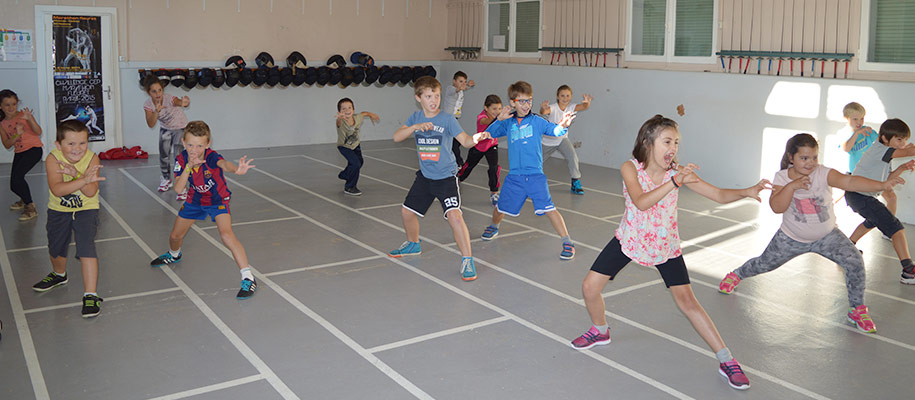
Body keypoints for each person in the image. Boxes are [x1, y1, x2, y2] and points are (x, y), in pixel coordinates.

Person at [572, 115, 770, 391]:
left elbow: (718, 195)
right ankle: (600, 330)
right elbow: (641, 202)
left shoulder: (677, 173)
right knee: (589, 287)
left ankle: (727, 360)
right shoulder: (630, 168)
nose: (673, 148)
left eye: (676, 142)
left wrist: (747, 191)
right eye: (667, 141)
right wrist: (675, 182)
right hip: (630, 238)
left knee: (688, 302)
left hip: (665, 245)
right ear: (647, 142)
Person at [389, 76, 490, 282]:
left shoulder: (447, 119)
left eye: (436, 95)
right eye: (428, 96)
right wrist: (415, 128)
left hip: (446, 178)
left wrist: (477, 137)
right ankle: (413, 244)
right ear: (419, 98)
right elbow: (397, 137)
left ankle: (467, 259)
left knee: (455, 216)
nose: (433, 100)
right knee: (407, 212)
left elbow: (465, 140)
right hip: (425, 177)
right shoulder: (416, 117)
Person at [149, 121, 259, 299]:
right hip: (195, 200)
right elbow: (178, 189)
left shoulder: (211, 157)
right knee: (175, 236)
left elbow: (224, 164)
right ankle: (174, 254)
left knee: (226, 235)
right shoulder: (181, 160)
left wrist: (236, 169)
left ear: (207, 144)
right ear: (183, 142)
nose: (194, 149)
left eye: (199, 146)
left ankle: (248, 277)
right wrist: (189, 168)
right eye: (190, 144)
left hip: (217, 200)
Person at [479, 81, 577, 260]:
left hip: (535, 176)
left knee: (550, 208)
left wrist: (563, 125)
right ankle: (494, 227)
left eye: (529, 101)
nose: (526, 105)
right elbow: (489, 133)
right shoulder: (508, 123)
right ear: (513, 102)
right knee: (500, 208)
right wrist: (499, 119)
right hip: (515, 177)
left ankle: (567, 241)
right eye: (522, 101)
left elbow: (554, 130)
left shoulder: (538, 121)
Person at [31, 120, 106, 317]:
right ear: (59, 144)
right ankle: (59, 274)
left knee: (86, 247)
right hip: (59, 210)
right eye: (71, 144)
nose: (77, 149)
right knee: (56, 248)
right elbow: (57, 189)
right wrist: (79, 179)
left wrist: (78, 177)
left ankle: (90, 294)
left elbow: (90, 192)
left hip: (86, 210)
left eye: (82, 143)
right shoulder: (53, 159)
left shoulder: (92, 159)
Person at [844, 119, 915, 284]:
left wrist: (902, 168)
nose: (903, 143)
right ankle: (908, 271)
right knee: (896, 228)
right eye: (899, 139)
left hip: (860, 196)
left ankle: (848, 247)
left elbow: (886, 180)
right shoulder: (880, 150)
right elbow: (908, 152)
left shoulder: (884, 155)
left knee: (872, 221)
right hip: (859, 195)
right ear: (884, 138)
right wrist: (910, 149)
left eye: (904, 139)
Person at [142, 74, 190, 199]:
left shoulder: (169, 99)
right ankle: (166, 179)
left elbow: (178, 102)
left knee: (178, 157)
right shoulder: (148, 105)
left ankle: (181, 185)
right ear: (149, 93)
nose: (158, 94)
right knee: (164, 155)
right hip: (166, 129)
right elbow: (151, 124)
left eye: (160, 90)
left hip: (180, 127)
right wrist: (156, 111)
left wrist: (183, 102)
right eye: (154, 91)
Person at [539, 85, 592, 194]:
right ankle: (528, 179)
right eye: (562, 95)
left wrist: (587, 102)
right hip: (548, 141)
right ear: (558, 97)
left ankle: (575, 182)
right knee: (537, 161)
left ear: (571, 97)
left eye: (567, 96)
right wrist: (543, 108)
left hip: (562, 139)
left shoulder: (571, 107)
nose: (565, 98)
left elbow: (584, 107)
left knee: (573, 157)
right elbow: (543, 112)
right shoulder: (553, 107)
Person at [0, 89, 43, 221]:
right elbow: (7, 144)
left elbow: (38, 131)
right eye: (7, 105)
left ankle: (30, 207)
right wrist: (17, 134)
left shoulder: (24, 115)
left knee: (18, 178)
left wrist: (30, 119)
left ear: (17, 103)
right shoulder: (1, 123)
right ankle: (24, 199)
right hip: (19, 151)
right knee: (13, 184)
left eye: (14, 104)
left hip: (34, 150)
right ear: (0, 106)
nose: (11, 108)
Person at [458, 94, 503, 206]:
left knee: (494, 168)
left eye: (499, 109)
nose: (497, 111)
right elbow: (486, 122)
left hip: (492, 145)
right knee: (468, 166)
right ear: (486, 108)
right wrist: (500, 118)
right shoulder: (482, 117)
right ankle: (457, 180)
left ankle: (494, 192)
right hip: (479, 146)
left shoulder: (499, 118)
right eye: (494, 109)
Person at [335, 97, 380, 196]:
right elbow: (338, 123)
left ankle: (345, 174)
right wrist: (339, 118)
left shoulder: (357, 117)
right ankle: (349, 187)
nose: (347, 110)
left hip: (355, 145)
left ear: (353, 109)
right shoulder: (341, 121)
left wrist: (372, 115)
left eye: (349, 108)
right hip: (344, 146)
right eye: (344, 109)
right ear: (339, 111)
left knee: (359, 162)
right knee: (355, 164)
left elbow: (364, 113)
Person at [441, 71, 475, 167]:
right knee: (455, 142)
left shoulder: (460, 90)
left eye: (464, 81)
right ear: (454, 81)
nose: (463, 84)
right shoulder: (450, 89)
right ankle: (458, 162)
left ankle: (454, 161)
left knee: (454, 142)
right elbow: (455, 90)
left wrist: (468, 84)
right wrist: (462, 86)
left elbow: (462, 88)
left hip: (454, 119)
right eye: (460, 81)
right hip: (448, 119)